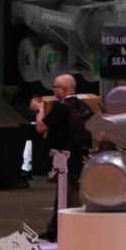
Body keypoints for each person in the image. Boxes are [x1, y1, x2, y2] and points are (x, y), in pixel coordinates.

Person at [39, 74, 91, 237]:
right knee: (64, 192)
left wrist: (40, 110)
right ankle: (54, 230)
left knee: (68, 193)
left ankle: (79, 229)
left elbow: (41, 127)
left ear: (64, 89)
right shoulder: (84, 106)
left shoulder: (61, 107)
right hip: (78, 156)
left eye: (55, 87)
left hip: (62, 156)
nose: (53, 90)